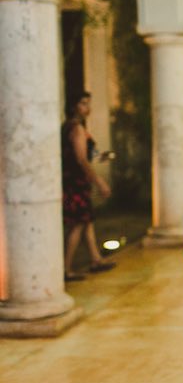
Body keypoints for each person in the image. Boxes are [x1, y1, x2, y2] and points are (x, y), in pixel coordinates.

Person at [61, 91, 116, 282]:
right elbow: (81, 160)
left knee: (86, 221)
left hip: (76, 181)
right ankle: (66, 269)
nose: (88, 107)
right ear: (74, 105)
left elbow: (85, 156)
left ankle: (95, 260)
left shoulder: (72, 127)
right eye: (83, 103)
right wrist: (99, 181)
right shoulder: (75, 128)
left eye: (88, 103)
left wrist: (101, 157)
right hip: (75, 183)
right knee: (77, 223)